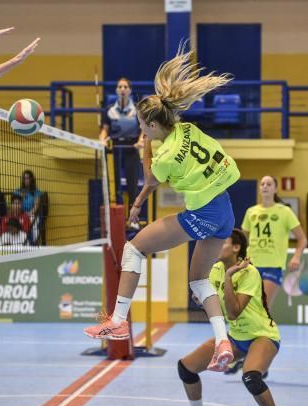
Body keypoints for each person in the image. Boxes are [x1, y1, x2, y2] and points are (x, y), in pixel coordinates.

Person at [84, 44, 241, 372]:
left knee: (133, 249)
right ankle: (223, 341)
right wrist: (138, 205)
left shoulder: (164, 155)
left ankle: (118, 321)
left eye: (142, 124)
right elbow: (148, 188)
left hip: (202, 213)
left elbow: (150, 179)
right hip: (225, 209)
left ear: (152, 127)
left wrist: (145, 149)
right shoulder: (187, 129)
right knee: (198, 280)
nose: (140, 127)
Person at [168, 229, 294, 406]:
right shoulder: (215, 268)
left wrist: (228, 277)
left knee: (251, 378)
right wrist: (202, 299)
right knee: (186, 368)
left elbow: (233, 312)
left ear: (236, 248)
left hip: (262, 335)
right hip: (235, 337)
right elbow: (214, 305)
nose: (216, 246)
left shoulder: (249, 273)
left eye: (222, 242)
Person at [242, 175, 307, 309]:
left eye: (269, 184)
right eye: (263, 184)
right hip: (251, 264)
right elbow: (243, 239)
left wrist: (296, 256)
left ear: (276, 189)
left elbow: (302, 239)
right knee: (246, 307)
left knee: (263, 307)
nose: (265, 186)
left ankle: (265, 329)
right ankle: (247, 330)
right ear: (259, 189)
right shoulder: (251, 212)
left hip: (273, 265)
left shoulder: (285, 212)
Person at [100, 77, 144, 228]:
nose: (123, 89)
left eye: (125, 87)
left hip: (132, 148)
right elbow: (105, 130)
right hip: (115, 149)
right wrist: (102, 140)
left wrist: (140, 141)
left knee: (133, 185)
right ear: (116, 90)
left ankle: (133, 220)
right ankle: (116, 220)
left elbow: (143, 129)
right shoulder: (109, 109)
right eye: (120, 87)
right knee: (115, 185)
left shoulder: (137, 109)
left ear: (130, 90)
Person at [14, 170, 42, 244]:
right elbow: (14, 205)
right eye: (24, 178)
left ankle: (33, 243)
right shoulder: (18, 191)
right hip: (19, 214)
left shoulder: (36, 192)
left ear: (31, 179)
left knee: (33, 224)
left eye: (27, 178)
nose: (25, 180)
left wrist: (28, 214)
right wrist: (21, 198)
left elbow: (36, 206)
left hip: (32, 214)